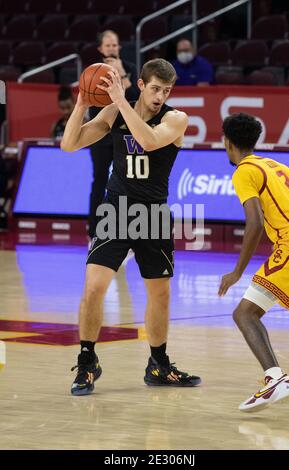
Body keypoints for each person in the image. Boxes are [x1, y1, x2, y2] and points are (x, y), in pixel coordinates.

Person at [61, 58, 201, 395]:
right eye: (154, 88)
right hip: (117, 210)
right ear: (141, 84)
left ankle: (158, 364)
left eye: (165, 90)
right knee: (94, 287)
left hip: (152, 213)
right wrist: (82, 104)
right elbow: (69, 144)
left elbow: (150, 140)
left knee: (160, 293)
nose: (159, 95)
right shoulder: (112, 113)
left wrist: (120, 102)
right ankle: (87, 360)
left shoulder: (175, 118)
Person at [219, 113, 289, 412]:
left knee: (245, 314)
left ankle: (275, 378)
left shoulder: (243, 171)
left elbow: (254, 223)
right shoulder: (277, 165)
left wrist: (237, 271)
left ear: (228, 143)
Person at [88, 30, 140, 240]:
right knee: (99, 181)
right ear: (100, 49)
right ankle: (94, 231)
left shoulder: (130, 68)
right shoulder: (94, 72)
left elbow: (137, 100)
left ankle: (128, 229)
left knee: (128, 182)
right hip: (102, 136)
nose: (112, 49)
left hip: (126, 136)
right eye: (108, 46)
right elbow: (93, 106)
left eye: (115, 45)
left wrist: (122, 74)